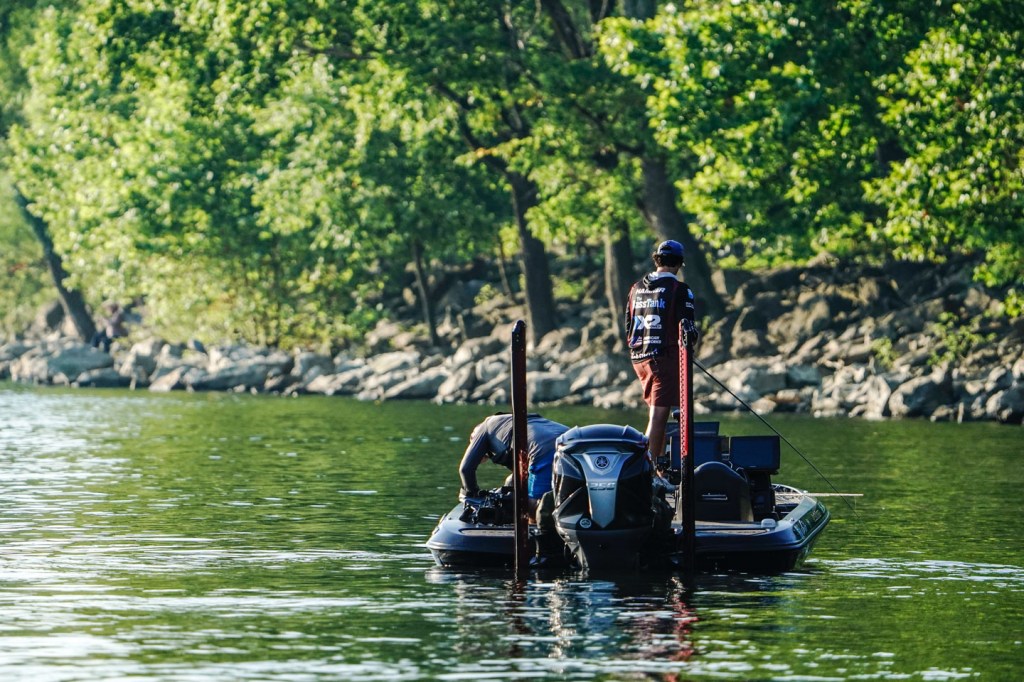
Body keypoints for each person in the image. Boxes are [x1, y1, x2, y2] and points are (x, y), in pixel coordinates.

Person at [624, 239, 700, 465]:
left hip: (639, 357)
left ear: (657, 260)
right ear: (679, 263)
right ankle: (645, 470)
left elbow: (628, 325)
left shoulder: (636, 288)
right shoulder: (680, 290)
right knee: (658, 416)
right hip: (663, 359)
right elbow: (687, 329)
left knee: (658, 413)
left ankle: (658, 467)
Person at [458, 413, 569, 515]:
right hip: (571, 440)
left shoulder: (484, 427)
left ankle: (538, 525)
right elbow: (521, 475)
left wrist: (474, 497)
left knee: (532, 507)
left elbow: (465, 469)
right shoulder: (510, 423)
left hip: (544, 448)